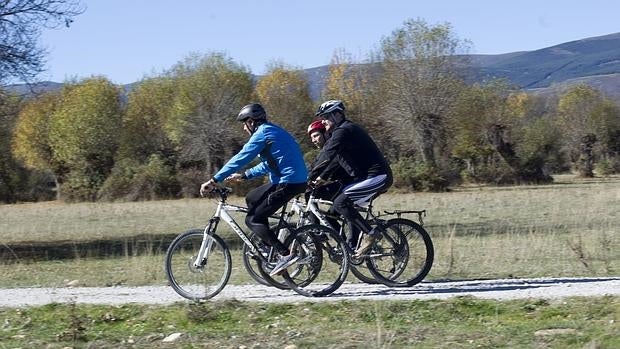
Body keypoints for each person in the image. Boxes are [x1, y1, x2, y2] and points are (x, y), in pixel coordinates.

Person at [200, 103, 308, 276]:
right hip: (291, 180)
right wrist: (244, 176)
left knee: (253, 220)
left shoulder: (262, 133)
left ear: (251, 121)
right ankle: (267, 246)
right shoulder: (272, 130)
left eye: (244, 123)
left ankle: (285, 254)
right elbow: (270, 163)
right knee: (252, 197)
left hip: (288, 182)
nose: (244, 128)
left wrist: (214, 180)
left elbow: (241, 157)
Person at [310, 100, 393, 257]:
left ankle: (370, 232)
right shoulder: (341, 132)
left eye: (326, 117)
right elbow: (332, 160)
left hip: (377, 176)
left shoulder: (344, 130)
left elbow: (326, 154)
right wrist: (319, 176)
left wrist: (308, 176)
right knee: (334, 211)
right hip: (365, 178)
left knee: (341, 202)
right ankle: (351, 245)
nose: (323, 121)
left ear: (338, 115)